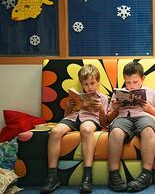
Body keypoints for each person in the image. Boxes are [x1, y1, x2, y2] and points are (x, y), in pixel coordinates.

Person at [41, 64, 109, 193]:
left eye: (92, 83)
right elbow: (66, 116)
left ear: (98, 82)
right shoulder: (76, 95)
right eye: (86, 84)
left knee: (87, 130)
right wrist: (68, 107)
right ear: (81, 84)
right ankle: (52, 177)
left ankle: (87, 176)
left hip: (91, 119)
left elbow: (104, 122)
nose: (89, 87)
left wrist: (100, 109)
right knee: (55, 131)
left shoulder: (103, 98)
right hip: (73, 118)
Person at [107, 61, 155, 192]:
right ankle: (114, 174)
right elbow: (108, 118)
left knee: (149, 131)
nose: (131, 86)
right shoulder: (118, 93)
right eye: (128, 83)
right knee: (115, 132)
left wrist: (149, 108)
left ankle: (146, 174)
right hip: (123, 118)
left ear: (142, 78)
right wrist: (116, 109)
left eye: (135, 82)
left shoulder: (151, 92)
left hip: (144, 117)